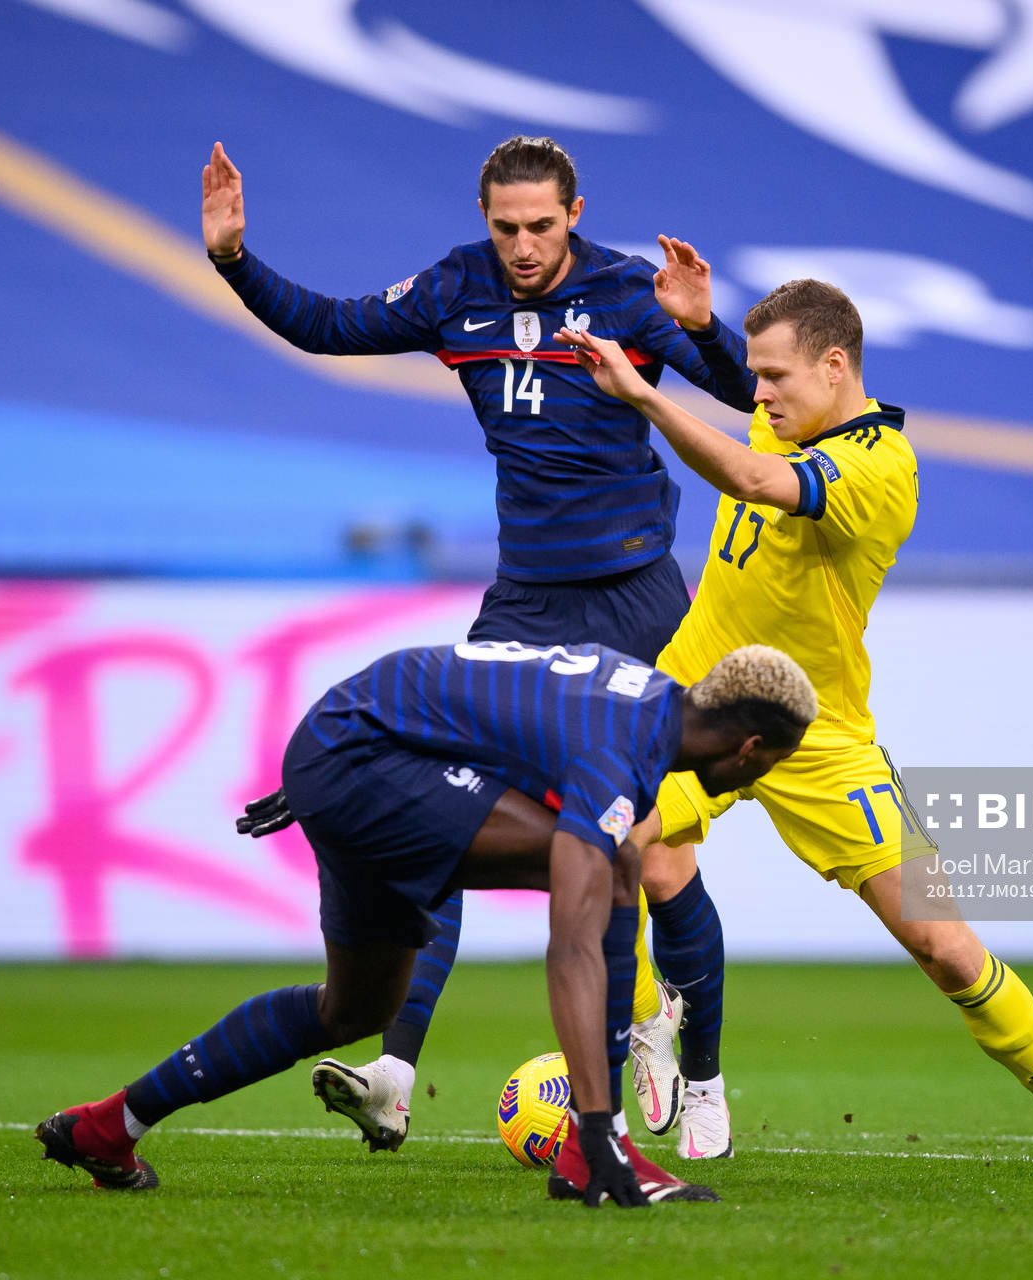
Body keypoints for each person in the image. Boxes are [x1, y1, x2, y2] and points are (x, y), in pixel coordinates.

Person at [201, 135, 757, 1142]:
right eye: (506, 226)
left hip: (637, 596)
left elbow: (746, 392)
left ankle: (692, 1068)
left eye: (542, 225)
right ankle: (394, 1072)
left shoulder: (633, 294)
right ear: (484, 217)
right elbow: (329, 326)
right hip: (528, 605)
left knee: (649, 849)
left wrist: (706, 329)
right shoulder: (457, 288)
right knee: (443, 822)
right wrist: (235, 260)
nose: (524, 245)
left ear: (575, 213)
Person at [551, 273, 1033, 1173]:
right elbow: (743, 397)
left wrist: (643, 394)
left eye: (776, 379)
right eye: (755, 379)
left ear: (836, 369)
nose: (758, 395)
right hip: (690, 705)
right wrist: (703, 327)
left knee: (943, 946)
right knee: (603, 849)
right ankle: (656, 1029)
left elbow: (753, 477)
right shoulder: (785, 408)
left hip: (816, 733)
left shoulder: (880, 467)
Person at [35, 639, 817, 1207]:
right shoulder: (624, 751)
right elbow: (573, 944)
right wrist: (597, 1117)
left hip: (355, 748)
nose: (756, 780)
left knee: (356, 1010)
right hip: (364, 760)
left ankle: (113, 1125)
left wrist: (317, 773)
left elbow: (488, 699)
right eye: (769, 767)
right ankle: (595, 1148)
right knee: (607, 870)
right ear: (752, 749)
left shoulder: (641, 700)